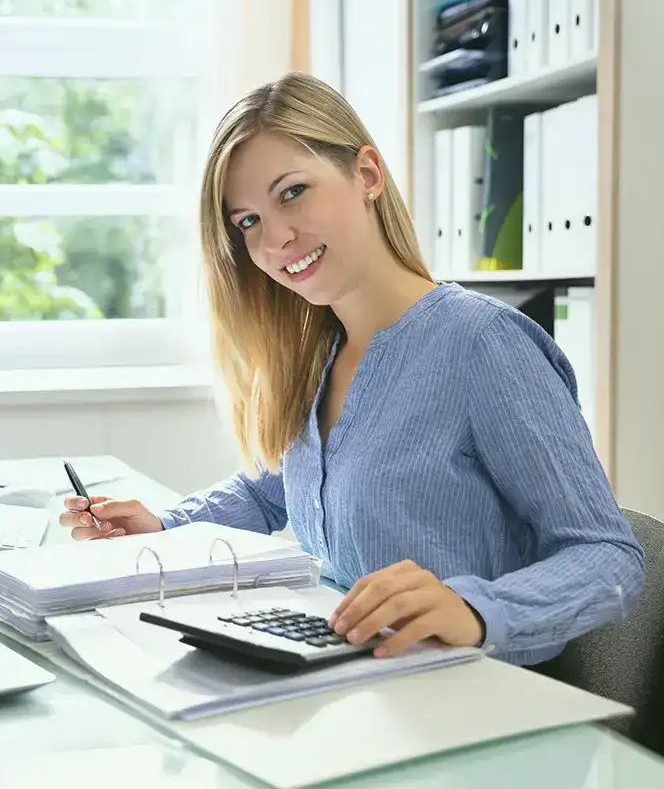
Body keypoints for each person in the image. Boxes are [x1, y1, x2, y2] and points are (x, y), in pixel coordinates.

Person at [58, 71, 645, 667]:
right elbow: (273, 489)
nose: (276, 239)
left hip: (467, 700)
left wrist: (474, 610)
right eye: (248, 221)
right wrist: (164, 524)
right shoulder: (319, 354)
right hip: (350, 685)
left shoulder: (483, 345)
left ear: (367, 174)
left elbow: (605, 555)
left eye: (292, 192)